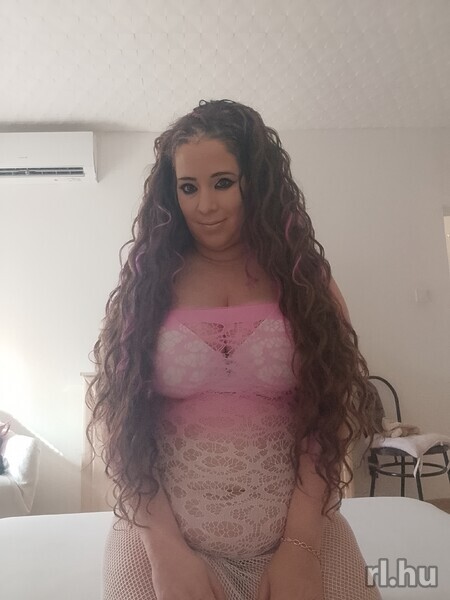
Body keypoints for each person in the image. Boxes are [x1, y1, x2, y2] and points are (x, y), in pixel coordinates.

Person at [86, 99, 382, 600]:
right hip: (164, 539)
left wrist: (301, 548)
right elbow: (121, 423)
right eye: (188, 187)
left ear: (256, 182)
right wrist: (165, 553)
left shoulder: (306, 284)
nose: (205, 205)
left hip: (299, 536)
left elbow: (329, 417)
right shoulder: (146, 285)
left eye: (222, 182)